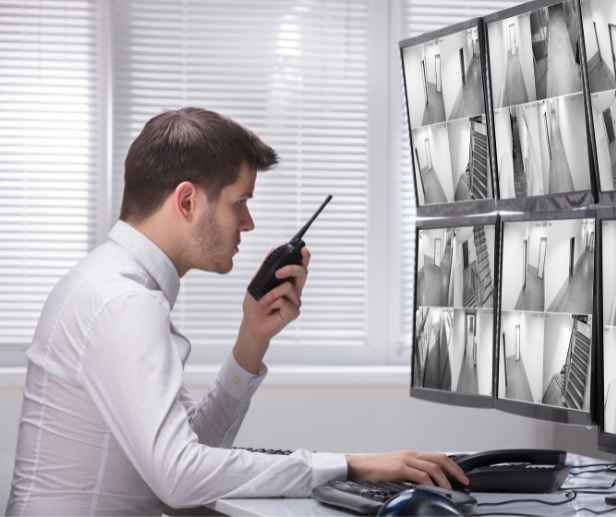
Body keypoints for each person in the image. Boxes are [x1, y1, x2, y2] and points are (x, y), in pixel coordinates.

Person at [5, 108, 468, 515]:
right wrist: (351, 465)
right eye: (240, 202)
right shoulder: (123, 302)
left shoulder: (111, 283)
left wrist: (252, 340)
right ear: (187, 201)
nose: (248, 222)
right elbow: (180, 479)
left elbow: (186, 455)